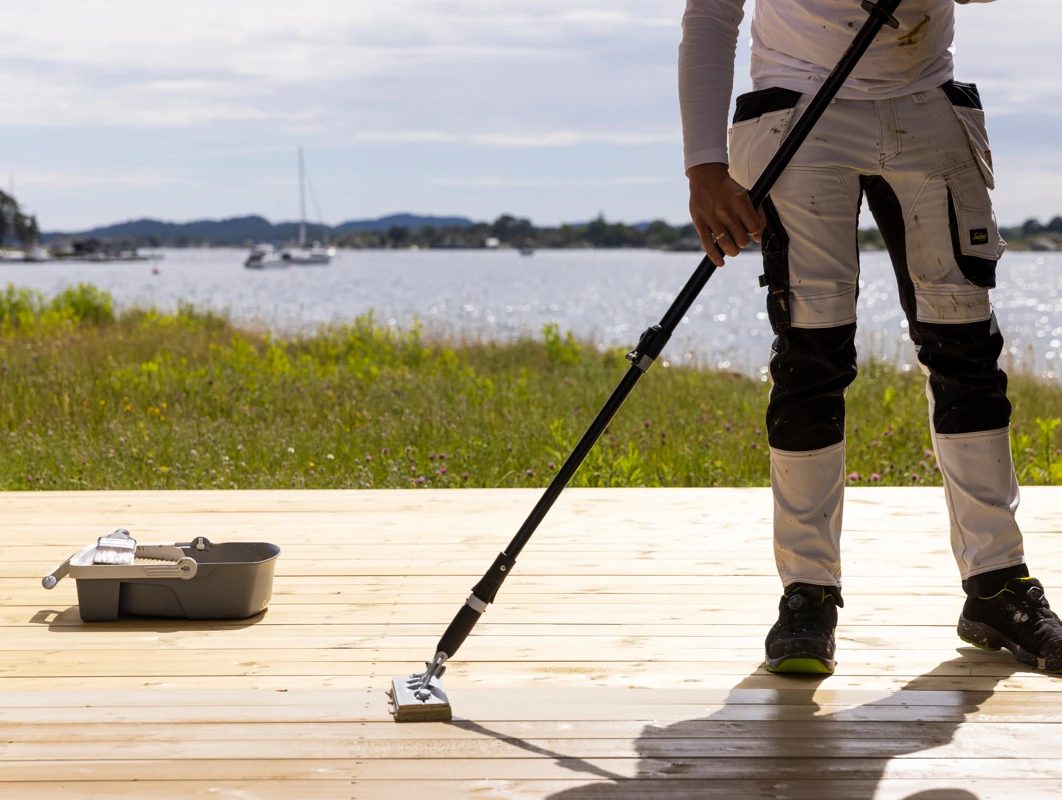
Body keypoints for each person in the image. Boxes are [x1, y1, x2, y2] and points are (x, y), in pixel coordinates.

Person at [679, 0, 1062, 674]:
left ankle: (998, 587)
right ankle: (808, 594)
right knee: (809, 356)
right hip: (795, 105)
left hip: (925, 104)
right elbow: (711, 17)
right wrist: (705, 167)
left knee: (966, 348)